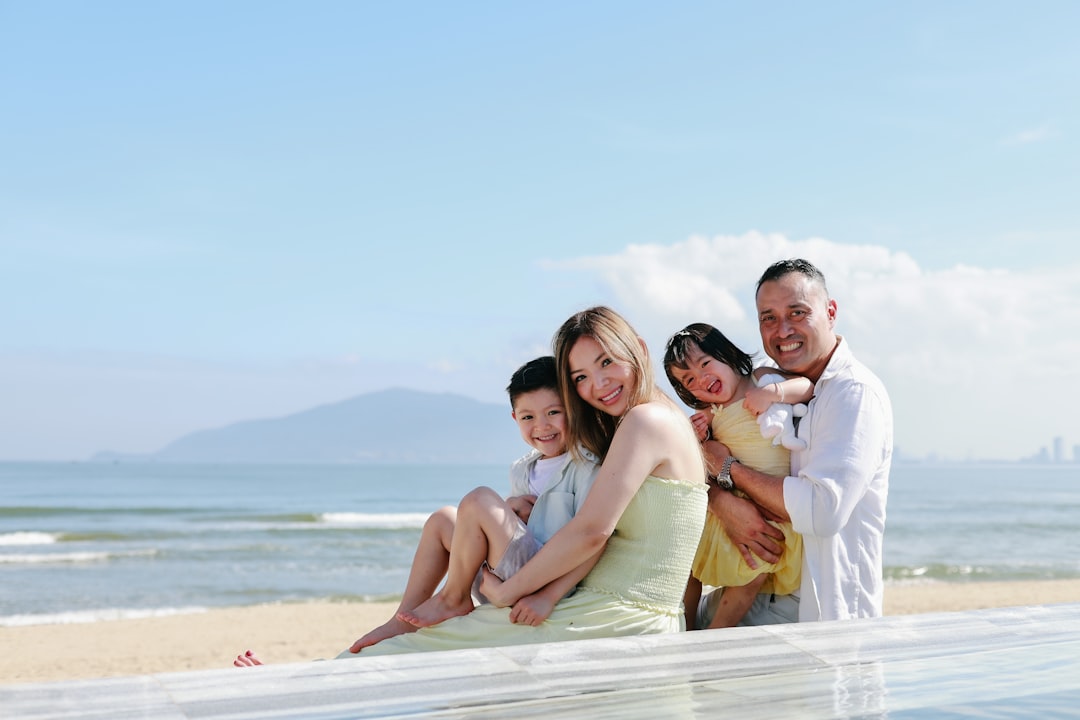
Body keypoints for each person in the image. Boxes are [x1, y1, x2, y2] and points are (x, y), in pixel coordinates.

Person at [238, 306, 706, 663]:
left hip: (616, 619)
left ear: (639, 349)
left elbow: (592, 532)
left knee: (433, 643)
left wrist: (508, 592)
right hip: (612, 610)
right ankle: (313, 677)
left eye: (608, 362)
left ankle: (300, 687)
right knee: (435, 636)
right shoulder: (650, 422)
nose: (598, 384)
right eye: (581, 376)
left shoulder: (644, 422)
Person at [348, 356, 600, 653]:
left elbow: (593, 539)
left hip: (545, 577)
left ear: (575, 409)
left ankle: (453, 599)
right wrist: (512, 508)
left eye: (554, 412)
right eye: (528, 417)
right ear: (514, 418)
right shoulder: (522, 469)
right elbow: (516, 532)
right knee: (443, 519)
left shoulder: (587, 465)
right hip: (505, 572)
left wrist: (549, 596)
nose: (541, 426)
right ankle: (404, 615)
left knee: (480, 498)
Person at [703, 258, 893, 623]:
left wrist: (729, 470)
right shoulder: (769, 388)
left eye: (797, 312)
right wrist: (719, 500)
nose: (782, 330)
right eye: (768, 318)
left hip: (814, 608)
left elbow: (821, 511)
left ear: (831, 311)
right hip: (761, 588)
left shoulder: (852, 393)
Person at [663, 323, 812, 629]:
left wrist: (773, 393)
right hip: (732, 498)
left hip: (767, 499)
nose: (701, 378)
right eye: (689, 380)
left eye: (705, 364)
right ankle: (685, 627)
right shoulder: (711, 411)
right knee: (689, 565)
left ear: (728, 356)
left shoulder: (758, 380)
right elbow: (707, 458)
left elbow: (807, 387)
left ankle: (716, 635)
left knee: (753, 573)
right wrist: (700, 434)